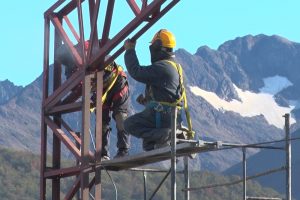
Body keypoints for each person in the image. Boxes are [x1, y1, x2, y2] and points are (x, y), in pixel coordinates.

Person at [56, 41, 130, 160]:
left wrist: (101, 46)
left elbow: (106, 41)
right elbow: (75, 87)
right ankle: (103, 153)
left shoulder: (85, 48)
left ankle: (123, 151)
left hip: (117, 81)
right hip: (101, 89)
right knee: (102, 120)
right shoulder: (70, 69)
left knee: (120, 116)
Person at [123, 29, 188, 151]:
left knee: (129, 124)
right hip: (173, 117)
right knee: (148, 146)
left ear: (158, 46)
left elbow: (136, 71)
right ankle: (170, 134)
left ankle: (166, 134)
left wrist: (130, 50)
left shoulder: (163, 67)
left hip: (163, 117)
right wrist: (148, 102)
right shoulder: (177, 68)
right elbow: (168, 95)